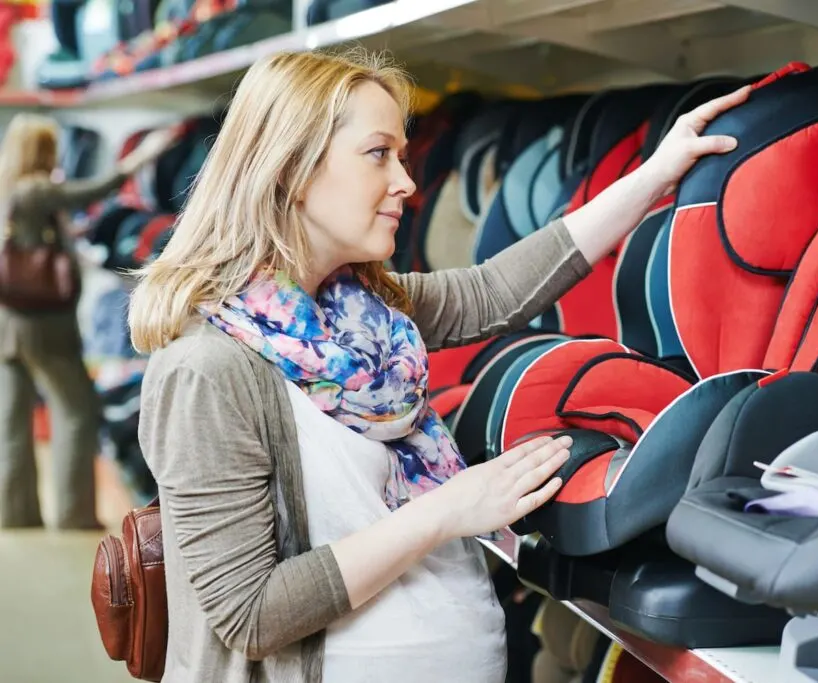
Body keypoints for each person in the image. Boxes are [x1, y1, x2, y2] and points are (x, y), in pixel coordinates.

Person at [129, 48, 749, 683]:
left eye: (402, 154)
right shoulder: (206, 370)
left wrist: (657, 174)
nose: (406, 181)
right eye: (379, 153)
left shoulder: (364, 318)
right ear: (289, 169)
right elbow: (250, 615)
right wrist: (447, 510)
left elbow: (496, 291)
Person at [0, 114, 176, 529]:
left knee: (11, 415)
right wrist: (143, 156)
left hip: (8, 320)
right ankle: (73, 514)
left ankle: (15, 511)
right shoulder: (35, 189)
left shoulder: (8, 188)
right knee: (77, 410)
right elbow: (93, 191)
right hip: (43, 323)